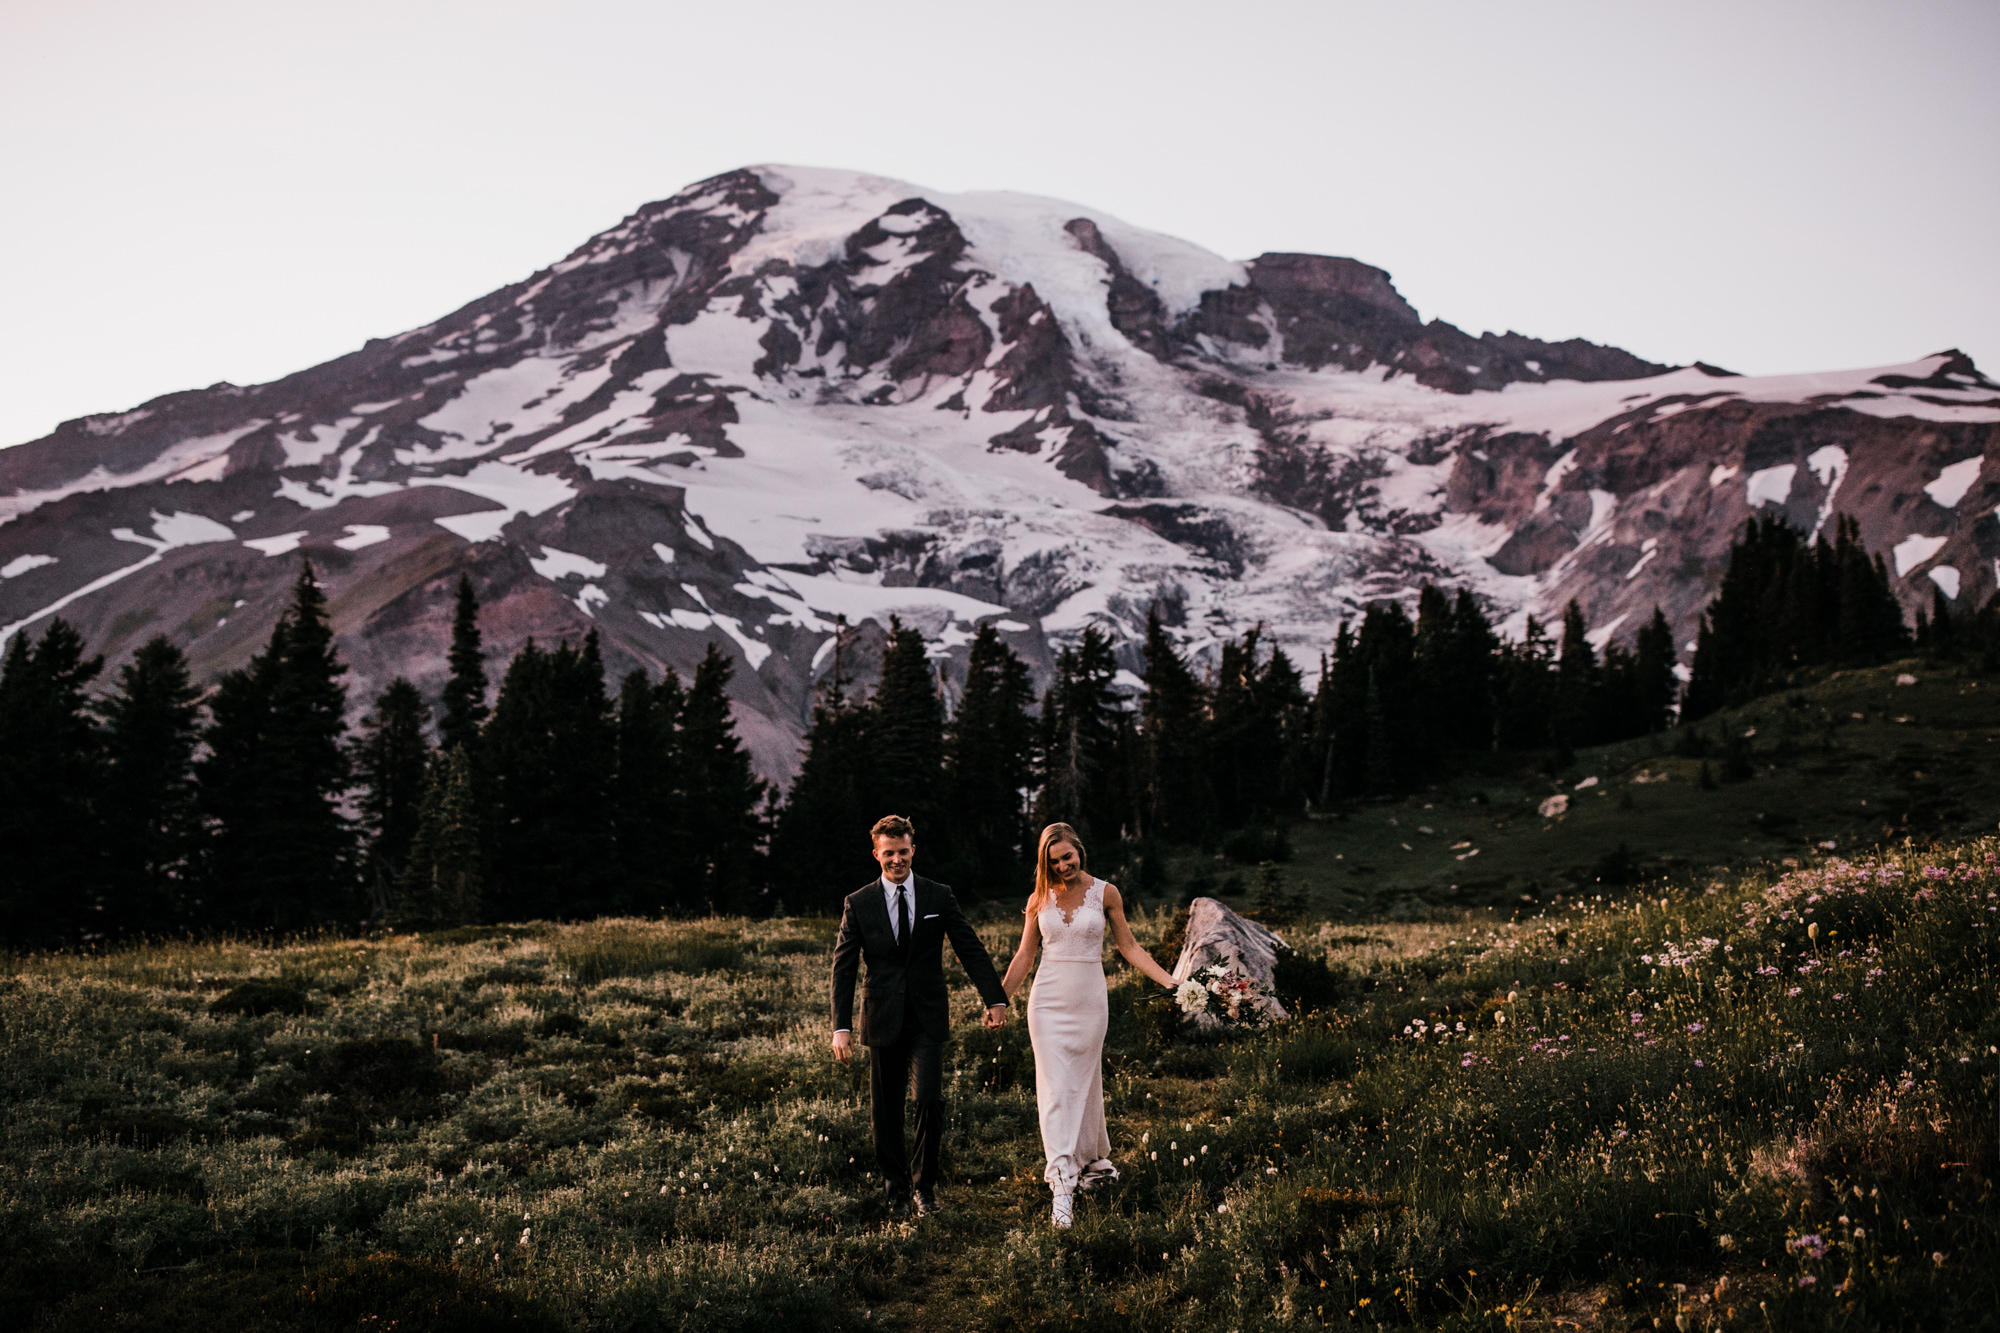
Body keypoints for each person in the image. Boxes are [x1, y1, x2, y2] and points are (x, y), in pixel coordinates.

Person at [830, 814, 1009, 1219]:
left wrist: (995, 998)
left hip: (927, 1017)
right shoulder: (858, 903)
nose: (897, 860)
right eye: (888, 853)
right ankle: (896, 1191)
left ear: (914, 850)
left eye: (903, 851)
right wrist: (840, 1027)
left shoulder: (937, 895)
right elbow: (844, 967)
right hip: (881, 1018)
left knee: (929, 1099)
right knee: (886, 1110)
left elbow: (970, 947)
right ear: (876, 854)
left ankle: (924, 1189)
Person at [1000, 821, 1178, 1229]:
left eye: (1068, 856)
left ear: (1080, 850)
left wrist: (1169, 980)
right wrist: (999, 999)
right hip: (1047, 1001)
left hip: (1090, 1001)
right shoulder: (1037, 899)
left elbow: (1129, 947)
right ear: (1044, 862)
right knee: (1055, 1089)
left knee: (1084, 1082)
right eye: (1054, 860)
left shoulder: (1106, 893)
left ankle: (1092, 1164)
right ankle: (1062, 1183)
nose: (1063, 865)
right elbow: (1025, 956)